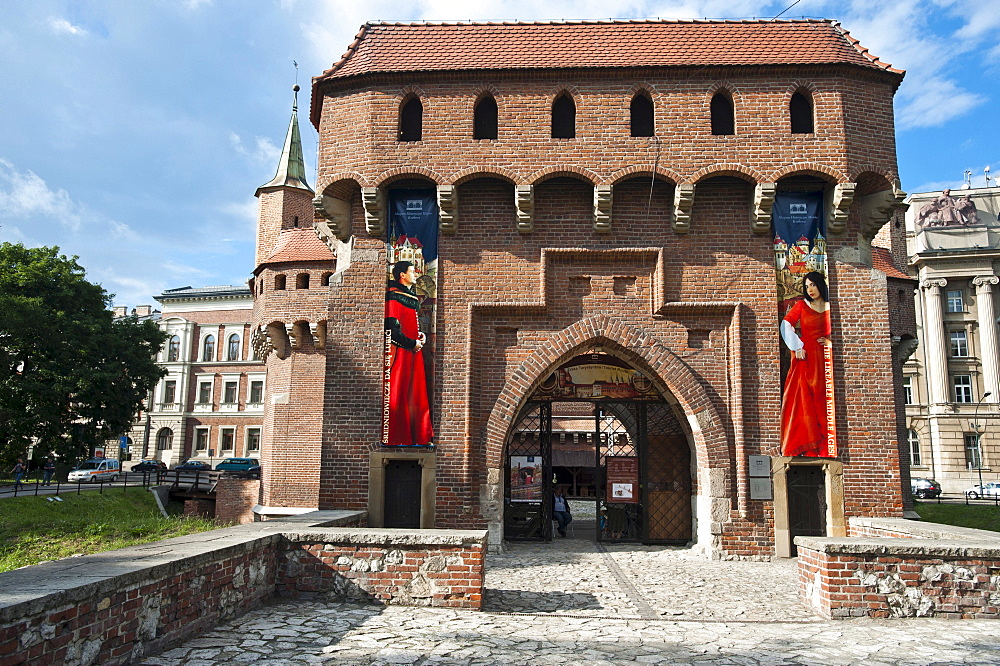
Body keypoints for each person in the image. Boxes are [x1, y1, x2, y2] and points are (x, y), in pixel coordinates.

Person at [780, 271, 833, 457]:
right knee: (805, 401)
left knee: (822, 401)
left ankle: (825, 446)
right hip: (806, 357)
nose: (810, 289)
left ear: (820, 285)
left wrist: (829, 341)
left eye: (813, 285)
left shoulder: (830, 308)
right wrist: (797, 346)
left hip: (823, 358)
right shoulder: (802, 305)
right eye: (807, 285)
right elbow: (785, 325)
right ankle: (808, 446)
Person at [384, 261, 434, 446]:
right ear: (402, 275)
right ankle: (399, 437)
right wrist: (412, 343)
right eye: (412, 271)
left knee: (416, 395)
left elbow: (409, 324)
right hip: (401, 355)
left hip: (413, 354)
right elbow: (391, 331)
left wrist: (418, 336)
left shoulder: (409, 297)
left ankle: (419, 435)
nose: (415, 274)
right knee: (399, 394)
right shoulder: (394, 298)